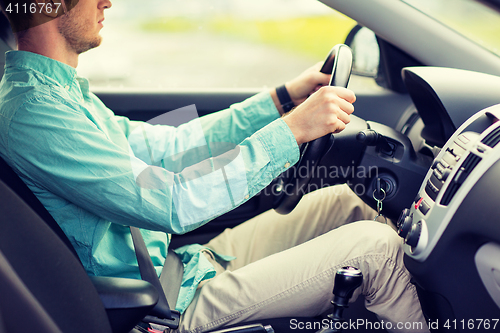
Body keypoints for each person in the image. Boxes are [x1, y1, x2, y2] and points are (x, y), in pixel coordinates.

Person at [0, 1, 429, 332]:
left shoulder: (62, 93)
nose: (108, 2)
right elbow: (172, 201)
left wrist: (280, 100)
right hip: (165, 307)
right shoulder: (35, 112)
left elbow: (168, 144)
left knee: (345, 201)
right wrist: (291, 131)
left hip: (181, 266)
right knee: (376, 249)